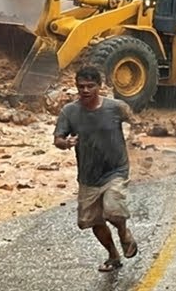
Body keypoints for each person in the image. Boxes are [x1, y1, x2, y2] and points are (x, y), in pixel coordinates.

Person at [53, 65, 138, 273]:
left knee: (113, 210)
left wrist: (136, 137)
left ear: (100, 86)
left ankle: (124, 234)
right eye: (81, 86)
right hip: (89, 176)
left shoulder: (116, 107)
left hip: (115, 170)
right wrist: (66, 143)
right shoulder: (69, 112)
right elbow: (57, 139)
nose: (85, 90)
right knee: (93, 220)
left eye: (90, 86)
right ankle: (113, 255)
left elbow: (136, 122)